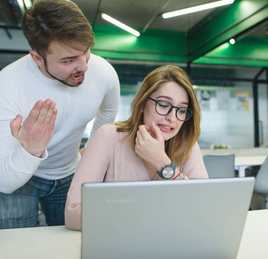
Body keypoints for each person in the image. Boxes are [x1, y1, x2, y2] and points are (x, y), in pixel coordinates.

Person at [0, 0, 120, 229]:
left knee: (74, 246)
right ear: (37, 58)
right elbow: (3, 182)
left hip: (70, 173)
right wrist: (31, 149)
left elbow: (107, 114)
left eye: (86, 52)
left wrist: (90, 153)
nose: (84, 66)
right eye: (68, 60)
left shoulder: (103, 72)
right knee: (12, 249)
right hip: (17, 177)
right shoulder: (4, 88)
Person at [65, 65, 208, 230]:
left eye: (181, 110)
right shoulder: (108, 137)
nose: (171, 118)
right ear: (142, 104)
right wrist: (150, 217)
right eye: (163, 104)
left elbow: (203, 210)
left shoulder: (188, 145)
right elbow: (73, 214)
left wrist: (162, 164)